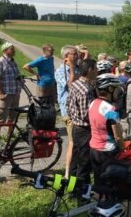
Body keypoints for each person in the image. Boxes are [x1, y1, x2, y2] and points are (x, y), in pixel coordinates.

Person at [89, 73, 124, 208]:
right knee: (111, 185)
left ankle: (99, 206)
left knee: (99, 182)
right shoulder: (111, 110)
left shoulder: (93, 104)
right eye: (116, 88)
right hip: (108, 152)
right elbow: (117, 136)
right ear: (110, 89)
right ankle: (110, 208)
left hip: (94, 149)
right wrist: (122, 148)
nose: (117, 91)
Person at [66, 58, 97, 186]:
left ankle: (72, 189)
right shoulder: (86, 90)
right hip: (84, 130)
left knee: (74, 161)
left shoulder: (75, 84)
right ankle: (82, 196)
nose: (97, 71)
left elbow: (68, 105)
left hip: (76, 127)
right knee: (84, 164)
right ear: (90, 70)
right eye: (96, 69)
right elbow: (87, 115)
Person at [55, 45, 80, 179]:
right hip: (69, 111)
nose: (77, 56)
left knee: (78, 140)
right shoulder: (60, 71)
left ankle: (77, 169)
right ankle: (67, 173)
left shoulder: (77, 68)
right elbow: (70, 85)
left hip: (78, 109)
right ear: (66, 57)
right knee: (72, 142)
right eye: (74, 54)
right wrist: (71, 68)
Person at [0, 42, 22, 138]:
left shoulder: (13, 62)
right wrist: (0, 93)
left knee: (13, 114)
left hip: (15, 92)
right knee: (1, 114)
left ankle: (10, 134)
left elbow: (16, 75)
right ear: (5, 50)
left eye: (13, 49)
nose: (14, 51)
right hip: (5, 93)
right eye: (11, 49)